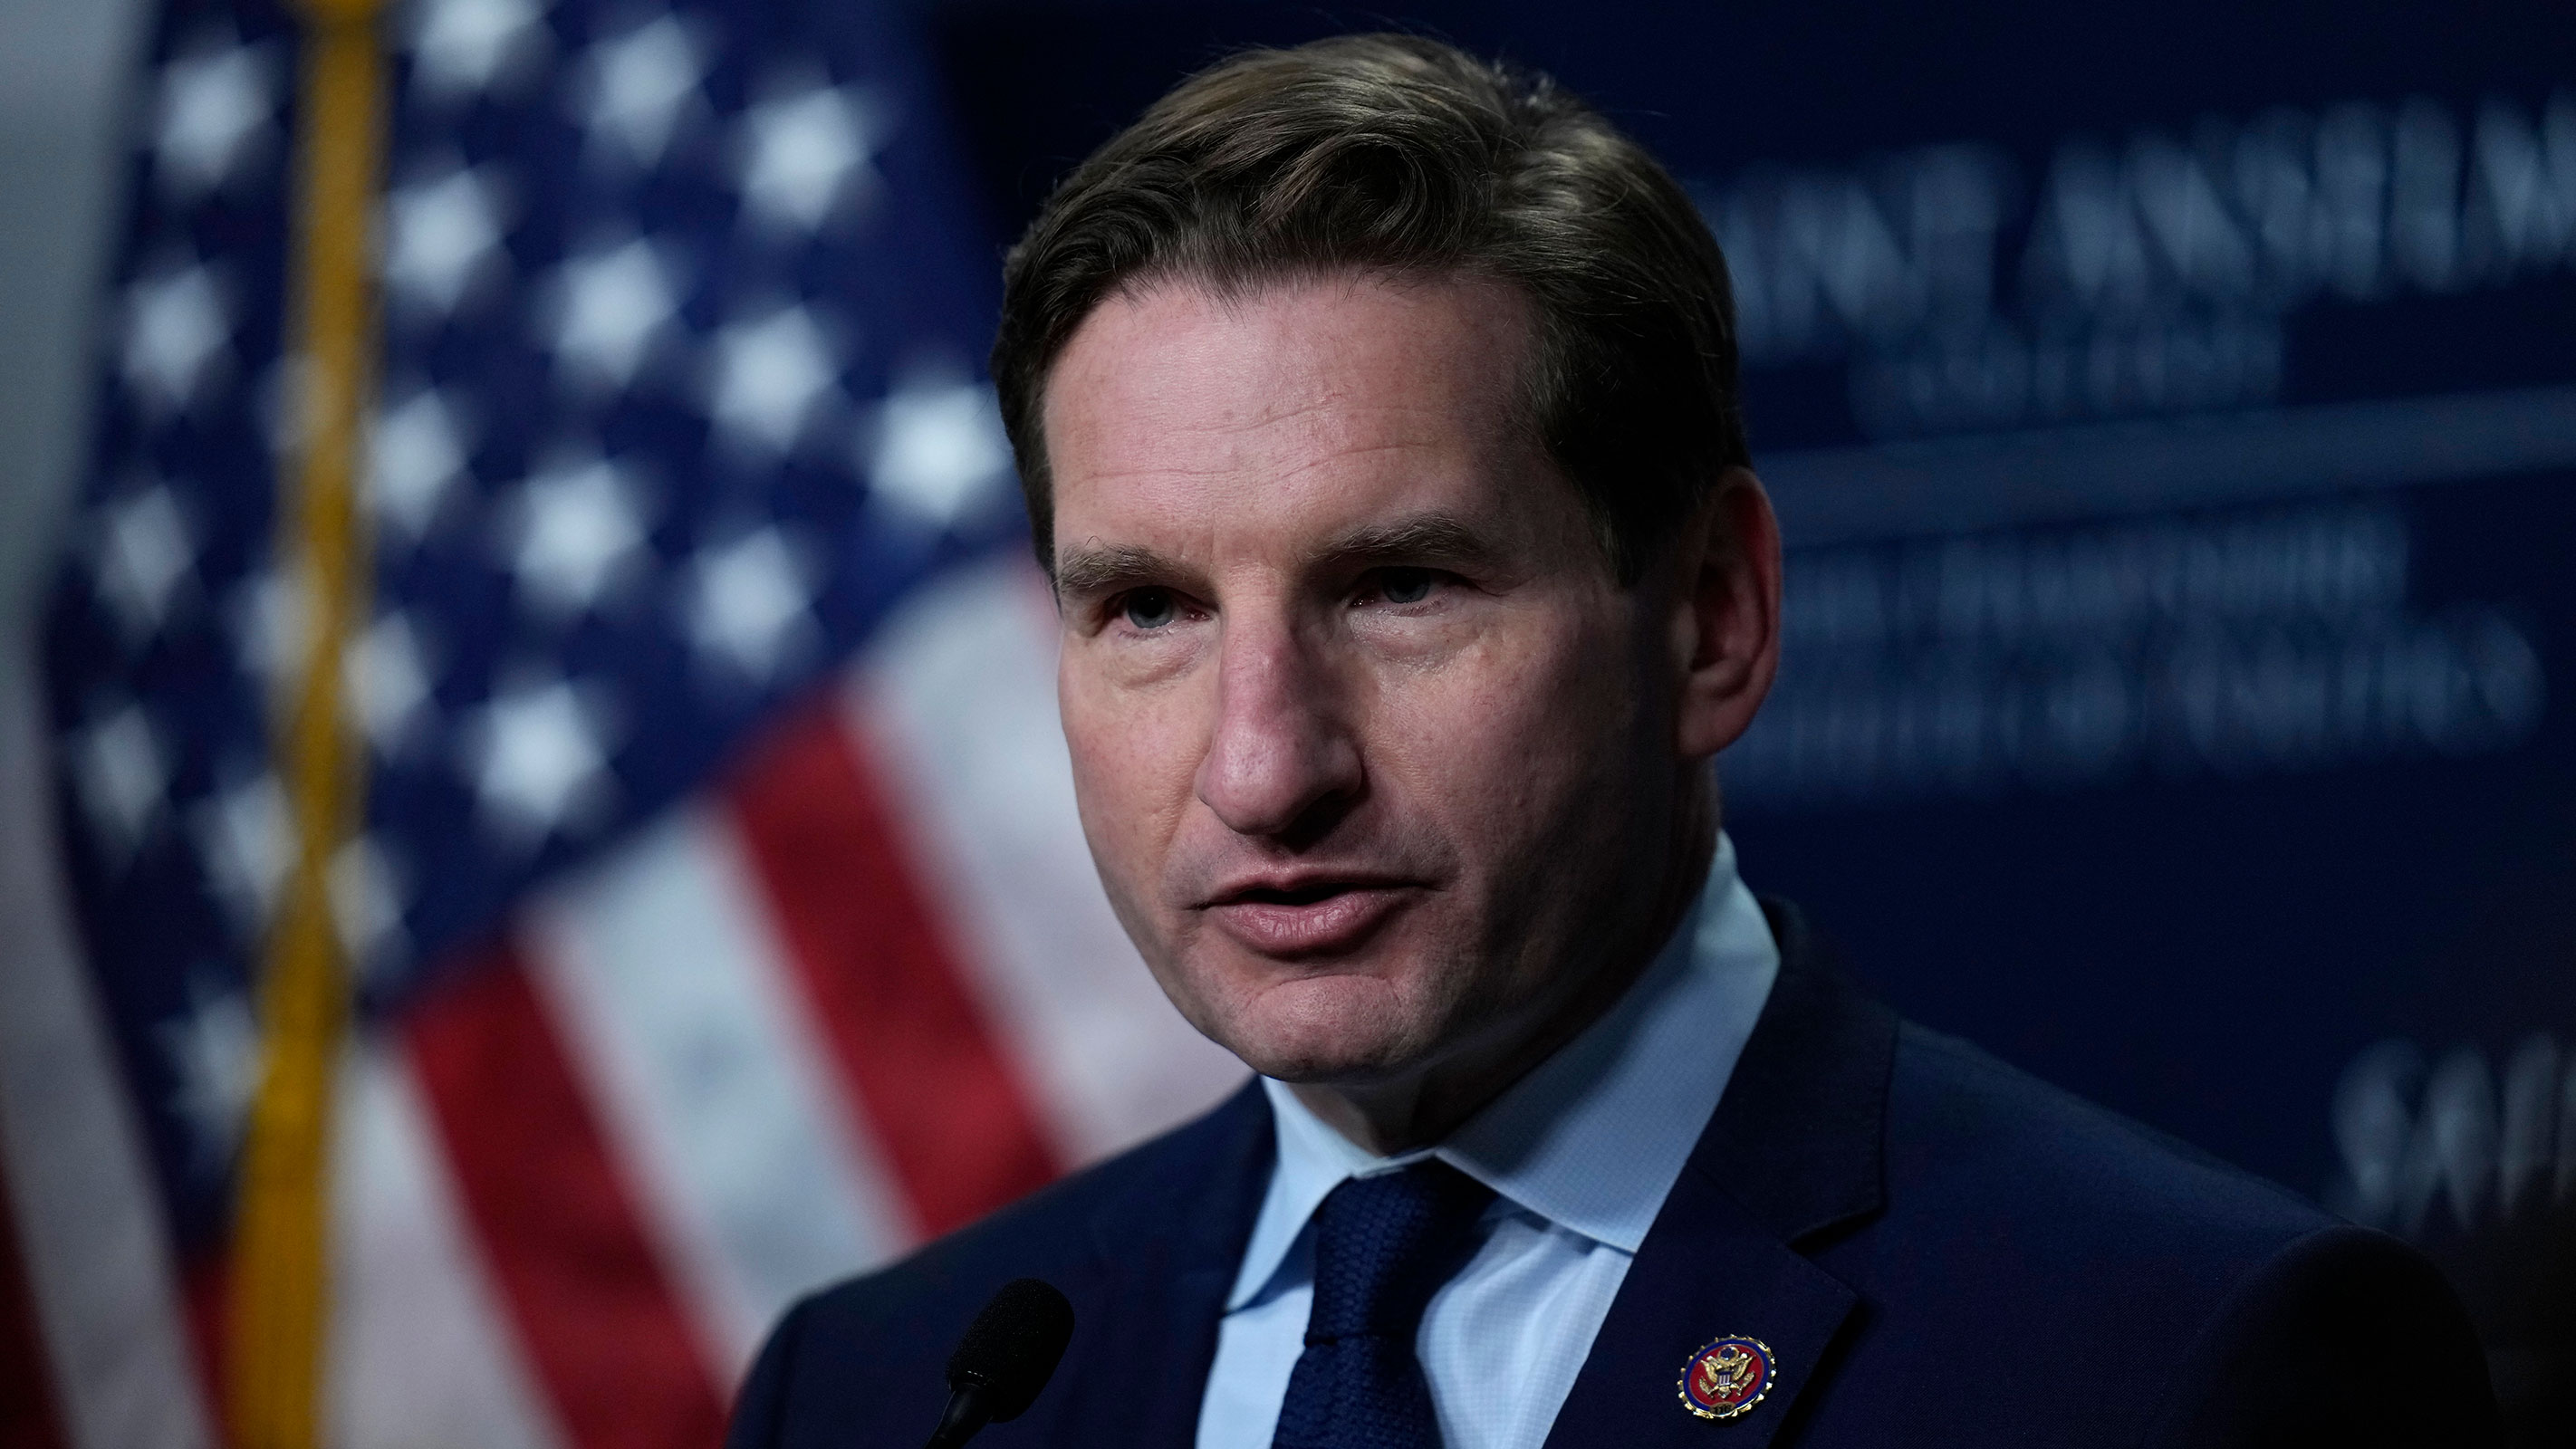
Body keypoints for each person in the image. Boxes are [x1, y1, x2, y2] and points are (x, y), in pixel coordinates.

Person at [726, 34, 2498, 1449]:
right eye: (1149, 609)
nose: (1264, 767)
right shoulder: (894, 1391)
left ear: (1713, 617)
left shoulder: (2181, 1360)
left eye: (1401, 584)